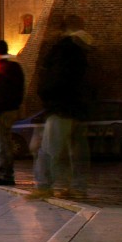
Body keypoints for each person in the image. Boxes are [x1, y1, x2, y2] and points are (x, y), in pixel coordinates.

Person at [32, 14, 94, 199]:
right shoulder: (87, 49)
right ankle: (77, 188)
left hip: (61, 106)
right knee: (77, 153)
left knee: (49, 149)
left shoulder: (63, 49)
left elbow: (55, 78)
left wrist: (46, 94)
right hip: (80, 108)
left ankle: (43, 186)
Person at [0, 40, 25, 186]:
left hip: (3, 111)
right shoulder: (13, 66)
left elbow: (1, 92)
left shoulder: (6, 68)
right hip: (8, 109)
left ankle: (6, 175)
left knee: (3, 144)